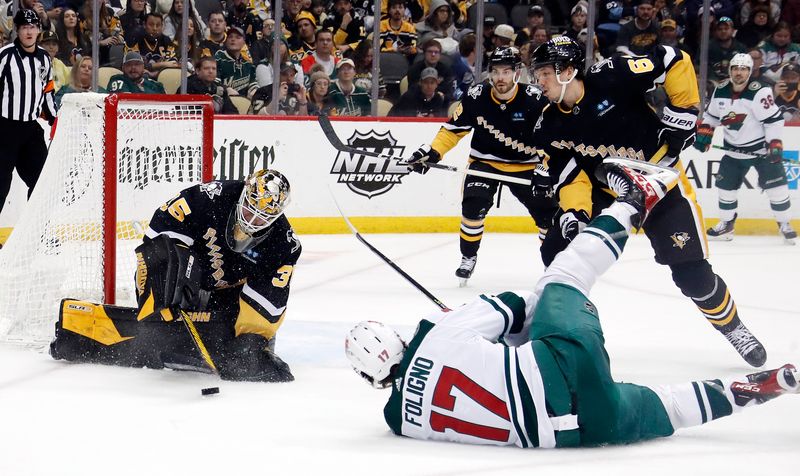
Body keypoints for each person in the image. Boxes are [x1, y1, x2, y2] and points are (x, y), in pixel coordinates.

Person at [345, 158, 800, 449]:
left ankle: (767, 386)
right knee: (557, 280)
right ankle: (635, 200)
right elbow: (521, 306)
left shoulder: (397, 420)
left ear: (370, 378)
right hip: (560, 360)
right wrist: (468, 322)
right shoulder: (435, 332)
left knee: (669, 407)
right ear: (397, 337)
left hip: (577, 431)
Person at [530, 36, 767, 367]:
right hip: (609, 192)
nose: (537, 82)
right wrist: (574, 212)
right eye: (536, 74)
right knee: (555, 248)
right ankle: (559, 334)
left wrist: (683, 112)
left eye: (543, 73)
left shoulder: (611, 74)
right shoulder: (548, 122)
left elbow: (672, 57)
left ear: (568, 70)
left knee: (692, 275)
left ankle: (733, 327)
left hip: (658, 181)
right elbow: (571, 176)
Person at [50, 169, 301, 383]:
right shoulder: (211, 197)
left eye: (263, 218)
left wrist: (252, 340)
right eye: (249, 211)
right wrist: (162, 283)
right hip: (188, 280)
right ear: (245, 194)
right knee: (165, 271)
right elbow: (162, 229)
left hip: (225, 295)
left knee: (241, 347)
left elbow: (268, 301)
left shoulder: (284, 245)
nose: (253, 221)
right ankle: (165, 309)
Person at [406, 47, 557, 286]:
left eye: (506, 72)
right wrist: (432, 152)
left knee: (548, 215)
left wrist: (546, 168)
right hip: (484, 163)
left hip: (526, 166)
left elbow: (552, 138)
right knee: (472, 207)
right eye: (495, 72)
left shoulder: (535, 99)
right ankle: (468, 257)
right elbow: (453, 130)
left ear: (517, 74)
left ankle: (555, 263)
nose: (500, 78)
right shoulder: (477, 96)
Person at [696, 53, 795, 244]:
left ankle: (784, 224)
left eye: (743, 69)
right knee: (725, 189)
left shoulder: (760, 92)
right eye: (735, 68)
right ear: (730, 70)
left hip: (760, 151)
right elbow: (711, 117)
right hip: (733, 151)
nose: (738, 72)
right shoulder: (721, 90)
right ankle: (727, 224)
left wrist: (774, 143)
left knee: (777, 189)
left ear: (750, 71)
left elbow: (773, 120)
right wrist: (705, 134)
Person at [0, 9, 56, 217]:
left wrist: (54, 118)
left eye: (32, 26)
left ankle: (37, 232)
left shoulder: (44, 59)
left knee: (41, 183)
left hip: (31, 131)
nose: (29, 31)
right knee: (1, 185)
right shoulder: (5, 56)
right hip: (4, 130)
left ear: (39, 30)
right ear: (17, 30)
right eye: (24, 27)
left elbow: (48, 91)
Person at [128, 12, 179, 77]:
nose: (155, 28)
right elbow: (133, 65)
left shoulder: (166, 40)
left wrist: (153, 73)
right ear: (144, 25)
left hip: (161, 77)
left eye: (158, 25)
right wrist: (162, 64)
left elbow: (173, 64)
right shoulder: (135, 39)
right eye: (151, 25)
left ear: (162, 26)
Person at [215, 26, 257, 98]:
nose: (233, 39)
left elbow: (253, 83)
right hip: (223, 103)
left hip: (244, 104)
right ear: (226, 41)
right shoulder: (219, 59)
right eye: (230, 37)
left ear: (244, 42)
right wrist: (226, 89)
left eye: (237, 37)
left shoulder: (248, 64)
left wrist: (254, 91)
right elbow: (213, 83)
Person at [708, 17, 748, 83]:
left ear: (732, 30)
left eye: (726, 28)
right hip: (712, 82)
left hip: (735, 82)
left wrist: (731, 80)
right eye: (720, 29)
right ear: (716, 32)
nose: (723, 31)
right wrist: (713, 79)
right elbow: (699, 65)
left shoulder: (741, 48)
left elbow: (746, 68)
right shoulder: (708, 46)